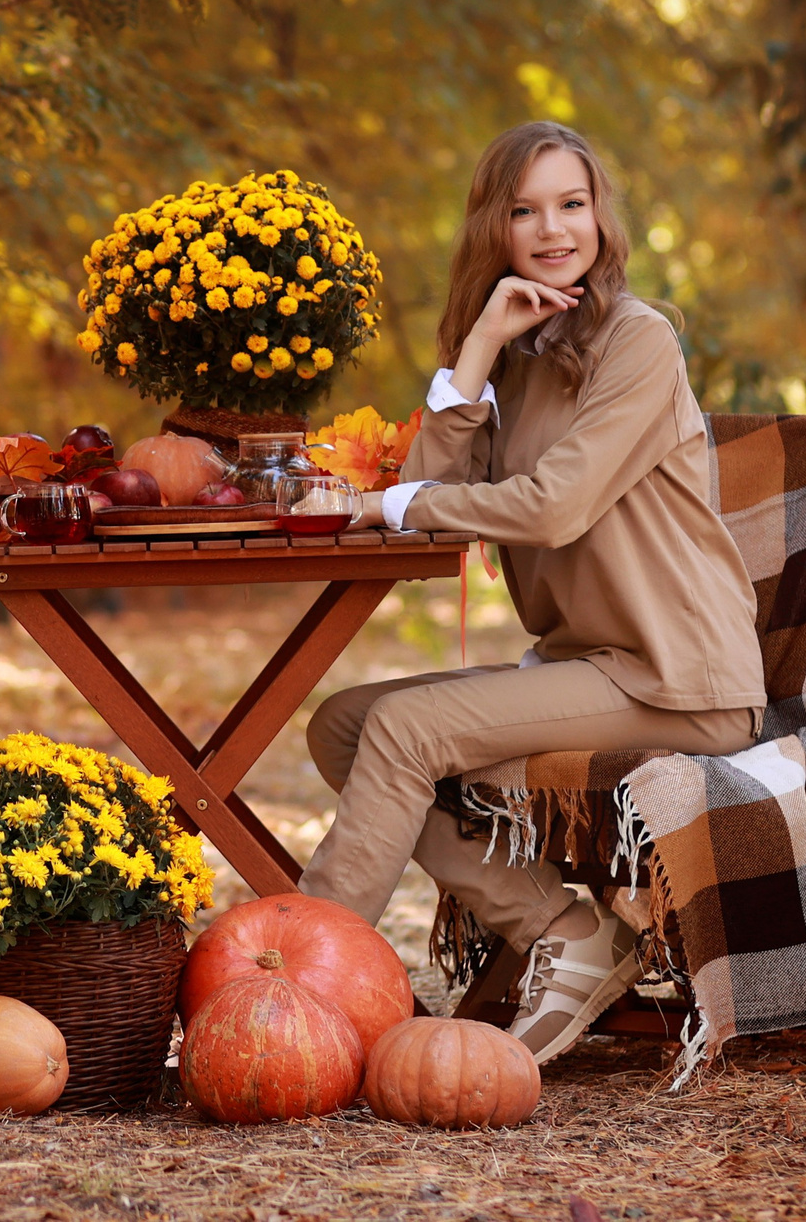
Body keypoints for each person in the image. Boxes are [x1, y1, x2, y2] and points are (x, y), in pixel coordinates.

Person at [297, 120, 765, 1064]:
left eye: (572, 203)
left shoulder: (639, 341)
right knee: (342, 725)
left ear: (600, 218)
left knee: (404, 730)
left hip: (678, 677)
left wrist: (401, 503)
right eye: (525, 209)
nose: (554, 228)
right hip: (590, 664)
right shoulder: (520, 352)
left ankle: (298, 989)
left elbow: (551, 509)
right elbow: (431, 480)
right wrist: (478, 344)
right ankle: (569, 929)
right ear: (495, 229)